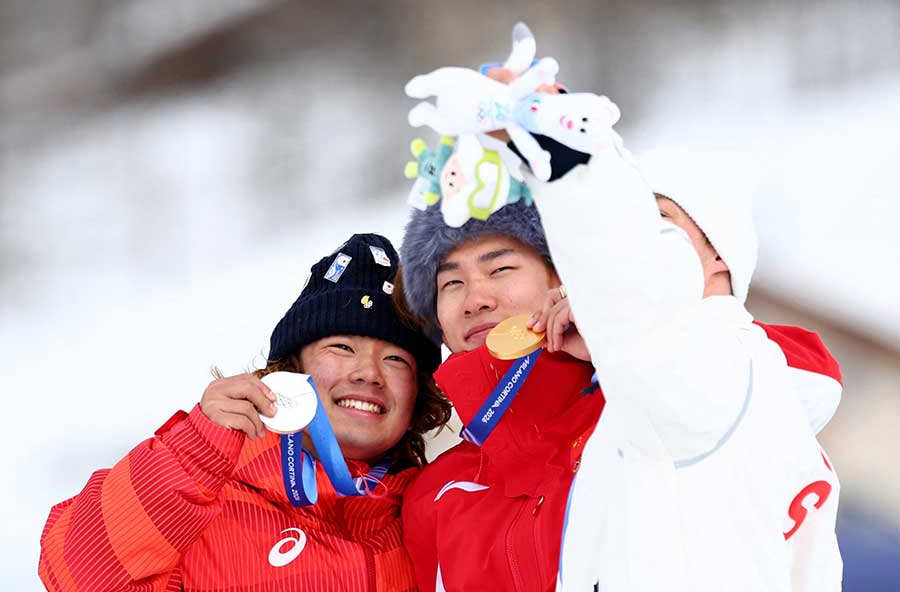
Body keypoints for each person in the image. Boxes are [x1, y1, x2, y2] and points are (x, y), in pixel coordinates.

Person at [397, 127, 842, 590]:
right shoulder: (435, 493)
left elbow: (724, 366)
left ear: (561, 279)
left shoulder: (655, 405)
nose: (475, 299)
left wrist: (616, 333)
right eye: (451, 283)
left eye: (501, 268)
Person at [39, 233, 451, 592]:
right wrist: (195, 453)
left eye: (396, 359)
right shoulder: (204, 499)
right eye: (342, 348)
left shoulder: (436, 511)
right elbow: (82, 575)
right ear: (292, 370)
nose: (368, 373)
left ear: (419, 394)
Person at [535, 149, 842, 591]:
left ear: (720, 255)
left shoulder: (724, 365)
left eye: (660, 218)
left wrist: (561, 149)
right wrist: (606, 344)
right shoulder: (734, 381)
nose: (636, 237)